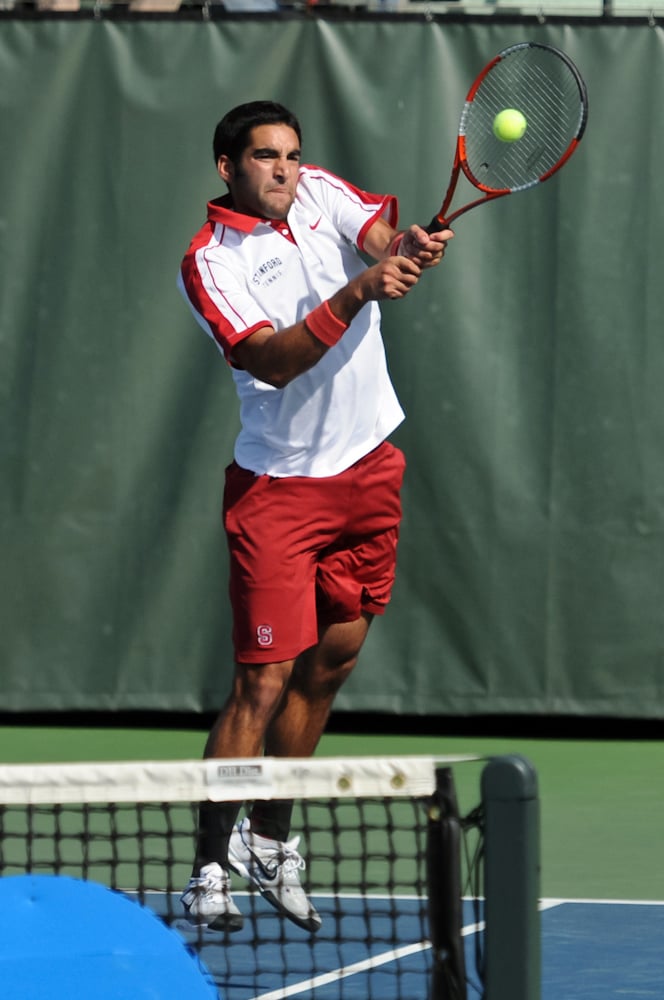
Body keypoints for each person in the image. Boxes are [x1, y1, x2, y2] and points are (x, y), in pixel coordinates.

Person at [176, 100, 453, 934]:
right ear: (228, 167)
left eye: (293, 155)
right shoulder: (209, 263)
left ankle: (271, 841)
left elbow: (377, 239)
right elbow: (273, 359)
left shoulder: (321, 192)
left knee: (329, 665)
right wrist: (361, 291)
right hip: (280, 491)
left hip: (370, 468)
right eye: (266, 157)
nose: (285, 170)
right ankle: (207, 867)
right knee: (260, 682)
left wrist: (402, 253)